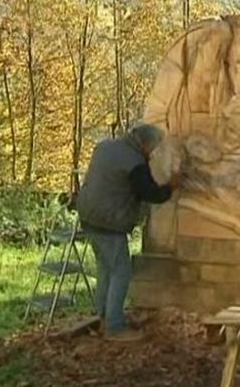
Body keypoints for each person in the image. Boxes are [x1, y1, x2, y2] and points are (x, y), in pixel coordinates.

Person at [76, 123, 176, 341]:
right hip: (108, 221)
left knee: (105, 269)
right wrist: (171, 187)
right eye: (153, 148)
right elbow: (149, 192)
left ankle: (104, 317)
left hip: (88, 214)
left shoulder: (105, 146)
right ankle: (115, 327)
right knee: (121, 271)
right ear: (145, 144)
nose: (153, 152)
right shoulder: (134, 162)